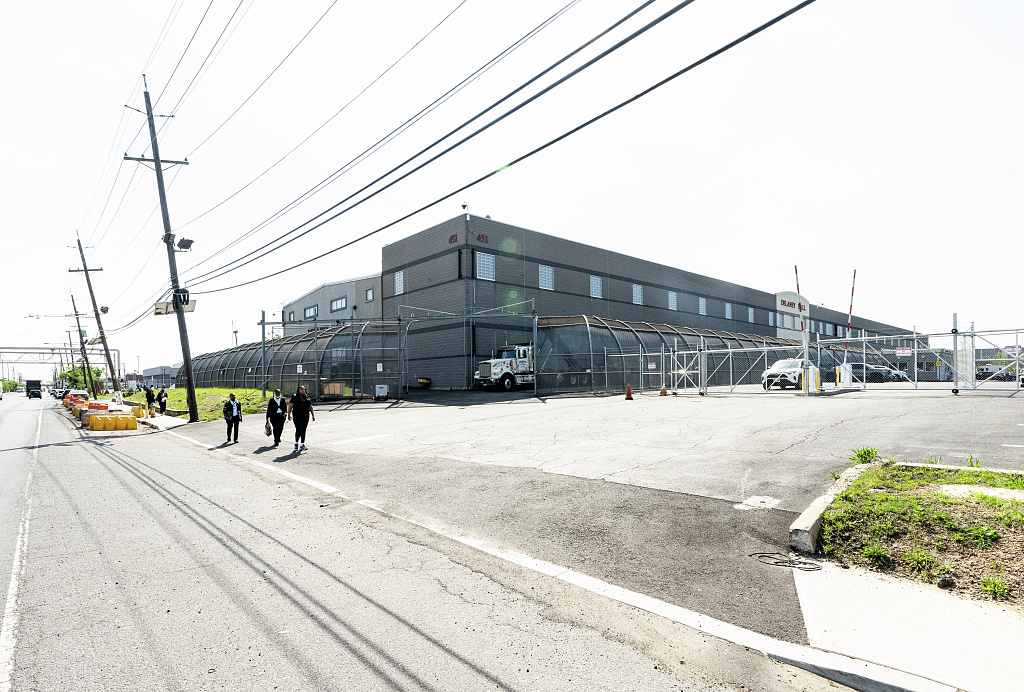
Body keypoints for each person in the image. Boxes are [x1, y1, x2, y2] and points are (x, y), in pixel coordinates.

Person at [287, 385, 315, 451]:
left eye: (304, 389)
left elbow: (310, 406)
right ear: (298, 390)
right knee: (299, 429)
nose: (303, 390)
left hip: (305, 415)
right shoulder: (294, 397)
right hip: (297, 415)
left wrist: (313, 415)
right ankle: (296, 443)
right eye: (301, 389)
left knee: (304, 429)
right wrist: (289, 414)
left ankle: (302, 444)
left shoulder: (307, 397)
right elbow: (290, 406)